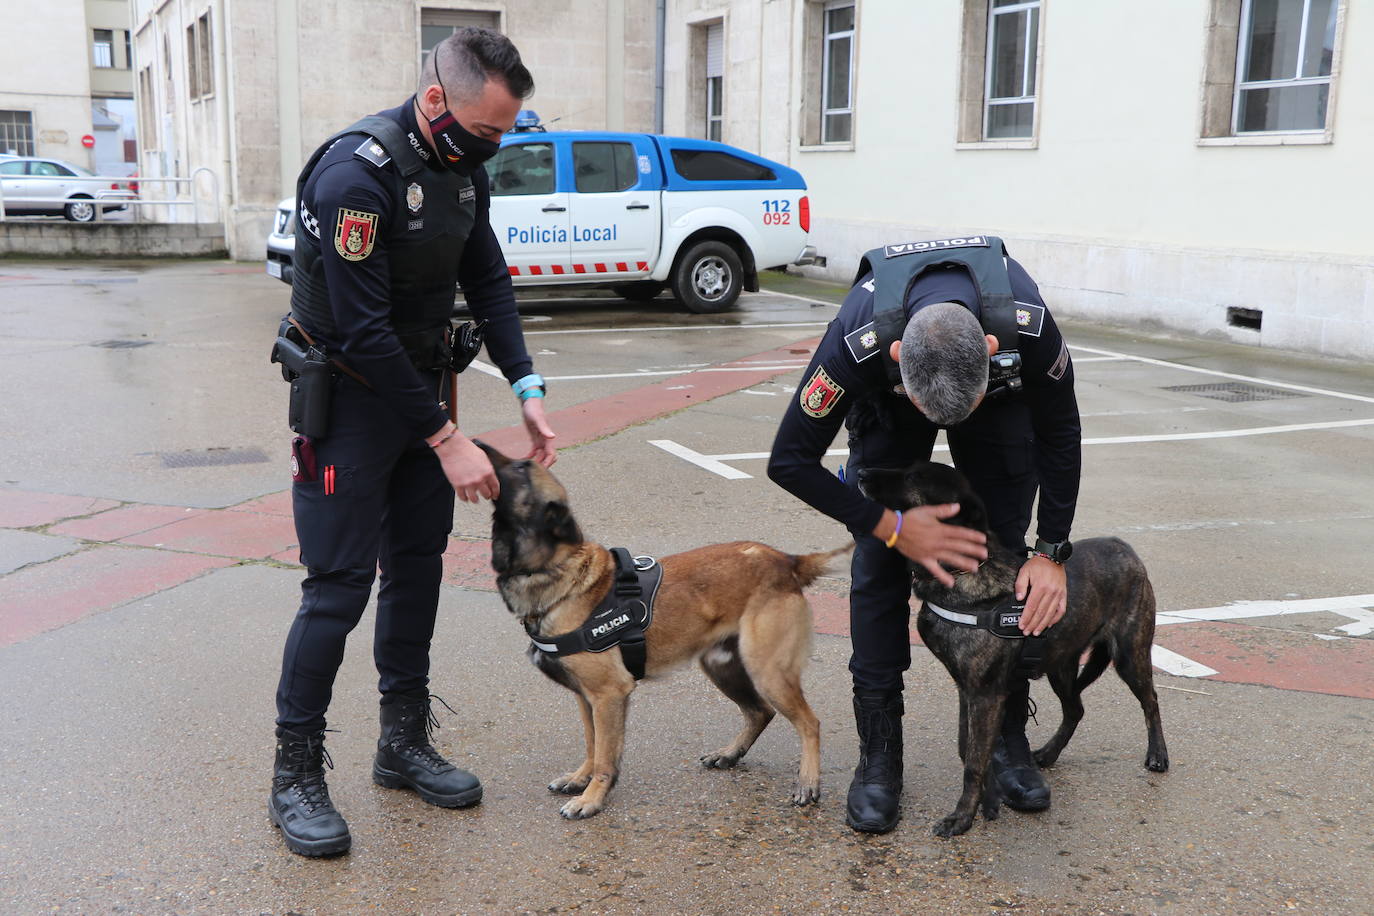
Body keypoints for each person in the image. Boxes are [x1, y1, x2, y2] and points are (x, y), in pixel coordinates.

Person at [268, 28, 557, 858]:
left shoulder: (464, 171)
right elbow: (358, 329)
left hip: (425, 391)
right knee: (337, 588)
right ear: (436, 100)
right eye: (486, 130)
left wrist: (527, 385)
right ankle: (294, 773)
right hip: (352, 407)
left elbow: (489, 278)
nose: (494, 146)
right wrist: (447, 439)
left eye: (505, 132)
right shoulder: (354, 177)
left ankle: (401, 743)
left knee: (418, 571)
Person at [768, 235, 1081, 834]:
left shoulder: (1029, 328)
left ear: (992, 349)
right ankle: (880, 754)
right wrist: (890, 527)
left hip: (996, 401)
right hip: (889, 402)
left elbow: (1061, 435)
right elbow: (789, 460)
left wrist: (1051, 552)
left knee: (1001, 550)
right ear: (892, 356)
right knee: (879, 565)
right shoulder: (855, 345)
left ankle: (1005, 735)